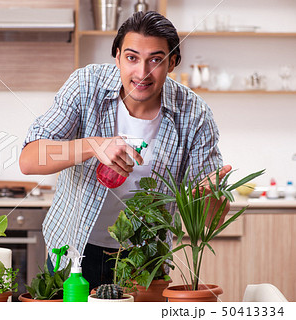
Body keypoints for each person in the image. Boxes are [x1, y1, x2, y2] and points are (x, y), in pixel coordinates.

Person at [19, 11, 230, 290]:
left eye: (156, 60)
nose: (142, 73)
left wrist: (210, 198)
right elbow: (30, 159)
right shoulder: (86, 85)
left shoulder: (194, 114)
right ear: (117, 57)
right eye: (132, 58)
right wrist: (94, 145)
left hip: (145, 257)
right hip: (73, 251)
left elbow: (210, 217)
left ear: (173, 63)